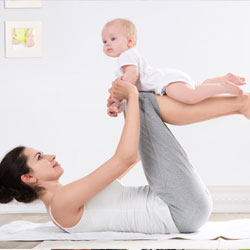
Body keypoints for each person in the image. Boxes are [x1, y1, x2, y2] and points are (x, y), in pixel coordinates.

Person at [0, 78, 249, 234]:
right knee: (139, 99)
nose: (50, 155)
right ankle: (237, 104)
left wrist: (125, 111)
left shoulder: (65, 199)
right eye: (40, 157)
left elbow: (130, 159)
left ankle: (228, 100)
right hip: (180, 210)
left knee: (139, 103)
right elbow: (126, 157)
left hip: (183, 205)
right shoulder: (62, 202)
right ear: (28, 178)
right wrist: (129, 96)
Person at [102, 18, 246, 117]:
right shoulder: (128, 58)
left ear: (130, 41)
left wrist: (119, 91)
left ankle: (223, 86)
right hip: (171, 78)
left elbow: (132, 77)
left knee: (191, 97)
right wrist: (117, 106)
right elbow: (129, 93)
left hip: (166, 83)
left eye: (113, 39)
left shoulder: (126, 56)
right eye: (104, 41)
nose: (108, 44)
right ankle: (224, 79)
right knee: (197, 88)